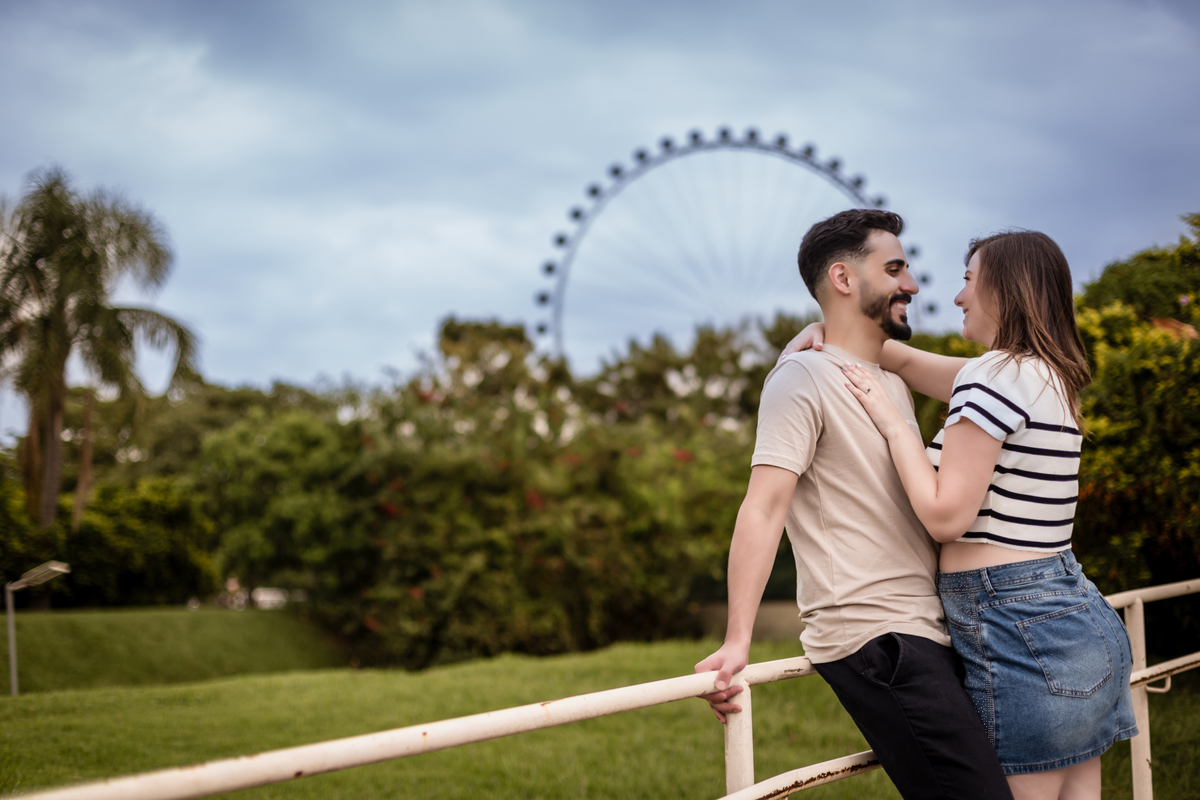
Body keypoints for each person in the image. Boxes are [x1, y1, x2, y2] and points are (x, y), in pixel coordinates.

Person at [786, 231, 1137, 800]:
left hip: (1015, 625)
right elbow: (906, 360)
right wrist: (831, 334)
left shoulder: (989, 378)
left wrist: (894, 425)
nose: (957, 297)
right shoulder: (1045, 374)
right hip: (1075, 615)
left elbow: (947, 517)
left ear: (1004, 288)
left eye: (969, 280)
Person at [695, 209, 1013, 800]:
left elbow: (1019, 382)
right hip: (875, 637)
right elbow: (763, 507)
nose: (913, 286)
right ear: (843, 279)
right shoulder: (800, 379)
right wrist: (738, 638)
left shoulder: (887, 380)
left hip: (927, 631)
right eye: (894, 269)